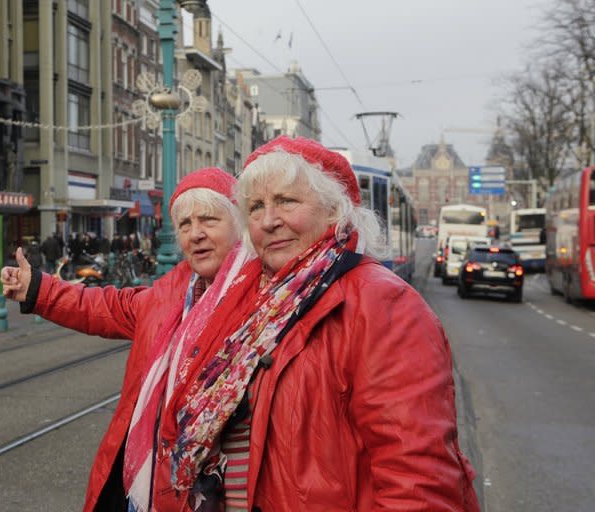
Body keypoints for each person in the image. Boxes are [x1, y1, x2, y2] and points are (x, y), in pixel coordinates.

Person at [149, 136, 480, 511]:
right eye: (255, 207)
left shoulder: (383, 304)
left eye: (287, 201)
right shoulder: (254, 302)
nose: (270, 220)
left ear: (335, 210)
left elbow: (418, 485)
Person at [0, 167, 248, 512]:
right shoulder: (167, 296)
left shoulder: (262, 301)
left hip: (214, 490)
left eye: (209, 220)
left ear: (239, 226)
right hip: (147, 478)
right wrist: (38, 289)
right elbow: (100, 305)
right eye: (185, 225)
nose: (196, 234)